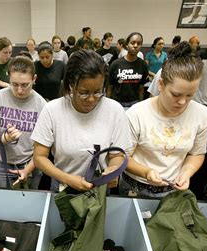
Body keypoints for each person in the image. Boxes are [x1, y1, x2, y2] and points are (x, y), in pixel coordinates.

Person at [31, 49, 132, 192]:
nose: (91, 99)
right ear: (71, 85)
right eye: (84, 93)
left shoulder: (115, 111)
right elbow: (39, 157)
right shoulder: (52, 110)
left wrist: (113, 168)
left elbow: (116, 155)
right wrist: (67, 178)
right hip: (62, 188)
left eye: (98, 92)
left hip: (98, 190)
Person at [119, 42, 207, 198]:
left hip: (172, 190)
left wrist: (186, 172)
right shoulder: (137, 114)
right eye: (176, 94)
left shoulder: (202, 114)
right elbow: (123, 157)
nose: (182, 102)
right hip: (134, 187)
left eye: (190, 95)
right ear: (160, 85)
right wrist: (146, 172)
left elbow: (197, 153)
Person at [0, 56, 47, 189]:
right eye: (15, 84)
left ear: (34, 79)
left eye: (25, 85)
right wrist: (7, 137)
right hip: (1, 165)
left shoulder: (41, 105)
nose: (19, 90)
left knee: (30, 204)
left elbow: (42, 147)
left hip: (30, 164)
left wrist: (27, 170)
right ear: (9, 79)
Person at [107, 32, 149, 107]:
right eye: (132, 43)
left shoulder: (143, 65)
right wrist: (107, 105)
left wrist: (140, 105)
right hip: (117, 101)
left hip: (134, 102)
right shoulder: (116, 64)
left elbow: (141, 87)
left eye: (138, 43)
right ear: (127, 44)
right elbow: (110, 86)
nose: (135, 46)